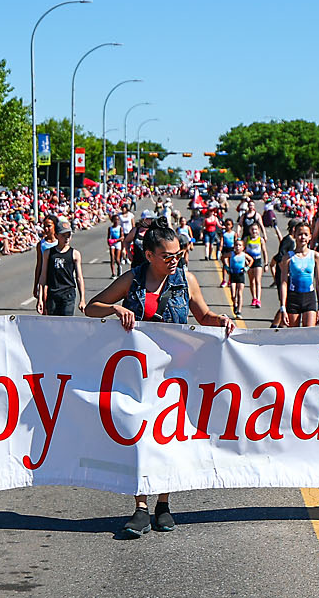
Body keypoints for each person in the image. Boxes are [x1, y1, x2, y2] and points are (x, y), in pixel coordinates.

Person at [83, 222, 234, 538]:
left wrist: (220, 321)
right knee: (140, 437)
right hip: (136, 374)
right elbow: (90, 308)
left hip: (176, 373)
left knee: (167, 437)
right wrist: (115, 308)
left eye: (177, 254)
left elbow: (203, 317)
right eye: (167, 255)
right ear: (149, 254)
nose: (174, 260)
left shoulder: (185, 280)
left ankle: (163, 503)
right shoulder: (133, 279)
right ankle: (140, 506)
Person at [276, 222, 319, 328]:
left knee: (309, 334)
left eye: (306, 234)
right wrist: (283, 308)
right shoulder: (288, 257)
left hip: (309, 298)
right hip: (293, 298)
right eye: (300, 234)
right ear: (295, 236)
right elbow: (283, 283)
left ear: (310, 237)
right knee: (294, 335)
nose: (303, 237)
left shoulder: (315, 256)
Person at [34, 218, 85, 316]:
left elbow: (79, 278)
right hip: (53, 293)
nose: (66, 239)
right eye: (63, 236)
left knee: (66, 322)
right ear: (56, 235)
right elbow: (43, 276)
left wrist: (82, 299)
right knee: (53, 323)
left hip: (68, 293)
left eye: (68, 236)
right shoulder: (48, 253)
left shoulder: (75, 254)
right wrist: (40, 299)